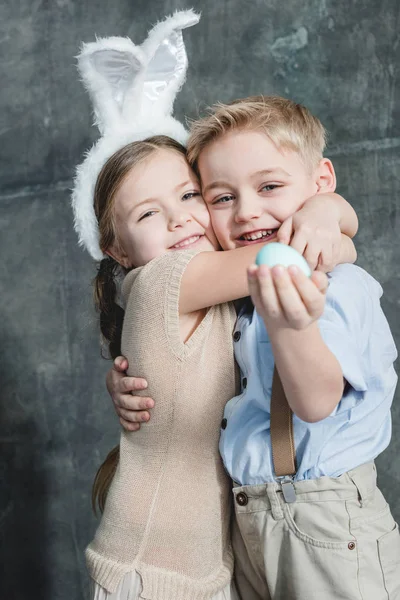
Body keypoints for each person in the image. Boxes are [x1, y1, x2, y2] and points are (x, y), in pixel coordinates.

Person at [72, 15, 357, 600]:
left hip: (211, 567)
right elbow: (289, 254)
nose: (180, 220)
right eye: (148, 214)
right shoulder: (163, 280)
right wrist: (333, 214)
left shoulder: (218, 291)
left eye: (191, 196)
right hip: (150, 574)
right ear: (116, 249)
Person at [109, 95, 400, 599]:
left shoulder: (331, 289)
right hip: (249, 522)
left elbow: (315, 402)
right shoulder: (236, 286)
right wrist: (332, 220)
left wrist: (293, 325)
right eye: (221, 198)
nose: (246, 212)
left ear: (318, 183)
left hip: (321, 518)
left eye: (269, 186)